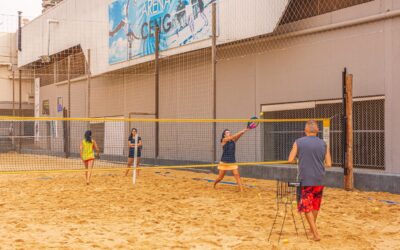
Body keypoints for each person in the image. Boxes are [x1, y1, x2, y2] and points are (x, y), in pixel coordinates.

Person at [288, 120, 332, 241]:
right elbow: (329, 163)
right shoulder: (323, 144)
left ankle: (315, 233)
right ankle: (312, 229)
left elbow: (290, 159)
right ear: (317, 131)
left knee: (306, 206)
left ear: (305, 130)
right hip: (319, 179)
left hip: (305, 179)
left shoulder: (298, 142)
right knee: (315, 205)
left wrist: (299, 155)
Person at [214, 127, 250, 192]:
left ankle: (241, 190)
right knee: (220, 178)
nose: (229, 133)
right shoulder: (223, 140)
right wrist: (242, 130)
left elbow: (238, 136)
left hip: (232, 161)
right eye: (227, 132)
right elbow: (233, 136)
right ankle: (214, 184)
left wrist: (244, 131)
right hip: (224, 162)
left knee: (237, 175)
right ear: (224, 135)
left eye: (229, 132)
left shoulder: (233, 140)